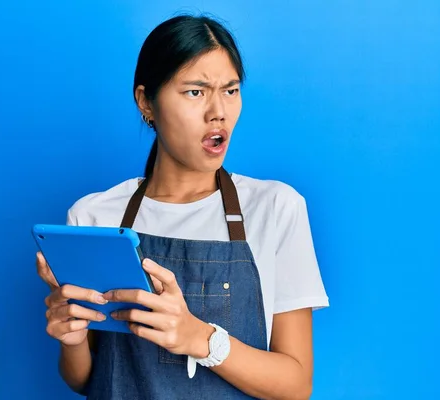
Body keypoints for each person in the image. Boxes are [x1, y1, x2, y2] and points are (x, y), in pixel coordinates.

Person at [36, 14, 329, 400]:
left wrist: (200, 338)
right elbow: (88, 381)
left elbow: (295, 386)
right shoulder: (94, 217)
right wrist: (70, 339)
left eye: (230, 90)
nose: (218, 112)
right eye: (196, 92)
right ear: (146, 102)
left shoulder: (276, 208)